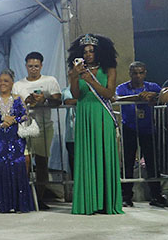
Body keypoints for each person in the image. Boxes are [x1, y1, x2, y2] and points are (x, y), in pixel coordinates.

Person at [67, 34, 122, 215]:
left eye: (92, 51)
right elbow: (76, 95)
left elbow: (108, 93)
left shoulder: (109, 69)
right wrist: (74, 77)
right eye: (85, 51)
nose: (89, 54)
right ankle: (89, 202)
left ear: (99, 52)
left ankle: (106, 202)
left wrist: (90, 80)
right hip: (85, 113)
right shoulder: (76, 70)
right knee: (87, 156)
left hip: (102, 113)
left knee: (104, 153)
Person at [12, 52, 62, 209]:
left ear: (41, 66)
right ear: (25, 66)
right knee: (24, 163)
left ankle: (39, 198)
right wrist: (26, 101)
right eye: (30, 66)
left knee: (41, 163)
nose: (33, 69)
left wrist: (44, 100)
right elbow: (14, 103)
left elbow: (58, 100)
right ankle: (24, 196)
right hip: (23, 128)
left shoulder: (50, 81)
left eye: (36, 66)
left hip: (44, 127)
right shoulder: (18, 85)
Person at [114, 62, 167, 208]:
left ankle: (156, 195)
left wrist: (154, 96)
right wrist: (137, 97)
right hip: (129, 127)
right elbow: (116, 99)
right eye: (135, 73)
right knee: (127, 163)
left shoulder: (152, 86)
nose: (138, 76)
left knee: (152, 163)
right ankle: (126, 196)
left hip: (148, 128)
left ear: (145, 73)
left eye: (140, 73)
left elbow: (162, 96)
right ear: (130, 73)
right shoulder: (123, 87)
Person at [0, 70, 34, 213]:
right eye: (0, 81)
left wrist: (13, 119)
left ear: (12, 83)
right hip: (0, 139)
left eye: (5, 81)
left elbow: (25, 115)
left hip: (15, 139)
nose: (2, 84)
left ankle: (19, 204)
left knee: (16, 165)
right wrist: (2, 119)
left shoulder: (18, 99)